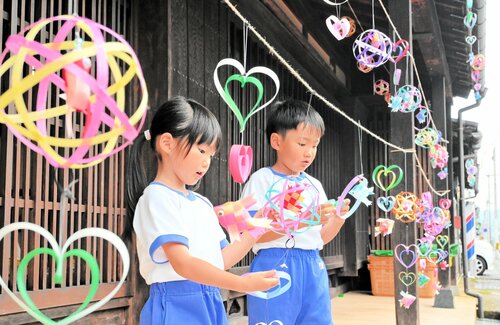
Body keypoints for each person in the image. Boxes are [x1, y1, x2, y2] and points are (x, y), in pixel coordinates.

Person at [124, 96, 279, 325]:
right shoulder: (156, 197)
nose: (207, 162)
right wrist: (243, 284)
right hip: (176, 305)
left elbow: (220, 261)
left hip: (210, 299)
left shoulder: (202, 203)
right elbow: (183, 263)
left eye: (211, 155)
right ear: (167, 143)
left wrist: (255, 230)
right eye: (202, 150)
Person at [241, 99, 350, 325]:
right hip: (274, 264)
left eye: (315, 145)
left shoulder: (314, 184)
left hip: (313, 264)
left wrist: (338, 220)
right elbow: (251, 235)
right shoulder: (262, 180)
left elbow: (318, 238)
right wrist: (304, 221)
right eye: (302, 144)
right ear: (276, 141)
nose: (309, 152)